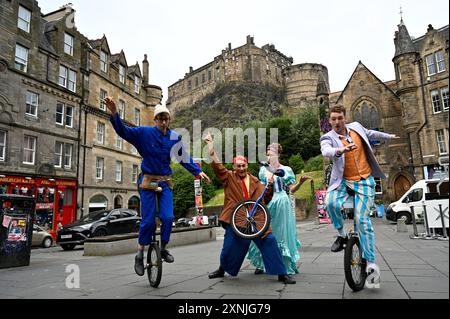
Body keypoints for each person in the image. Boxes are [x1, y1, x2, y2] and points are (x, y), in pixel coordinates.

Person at [104, 97, 211, 276]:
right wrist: (115, 113)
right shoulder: (144, 133)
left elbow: (183, 158)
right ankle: (139, 254)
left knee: (168, 218)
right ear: (155, 120)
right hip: (148, 181)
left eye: (166, 118)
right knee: (147, 222)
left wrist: (197, 172)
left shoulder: (174, 138)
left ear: (169, 120)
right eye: (160, 118)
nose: (163, 121)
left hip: (165, 180)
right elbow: (123, 131)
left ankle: (164, 248)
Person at [320, 105, 398, 283]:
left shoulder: (356, 127)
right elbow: (325, 150)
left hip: (364, 181)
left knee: (362, 221)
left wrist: (388, 136)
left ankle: (371, 265)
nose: (337, 122)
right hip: (343, 181)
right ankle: (341, 235)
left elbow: (371, 133)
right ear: (330, 121)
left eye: (340, 118)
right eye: (333, 119)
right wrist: (339, 151)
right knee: (329, 203)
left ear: (344, 117)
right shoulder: (328, 137)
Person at [204, 132, 296, 284]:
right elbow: (218, 167)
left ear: (247, 165)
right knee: (229, 246)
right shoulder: (229, 177)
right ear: (234, 167)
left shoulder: (254, 180)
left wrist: (270, 186)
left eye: (243, 165)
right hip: (236, 219)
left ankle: (282, 273)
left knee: (270, 241)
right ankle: (222, 269)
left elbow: (265, 199)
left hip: (256, 220)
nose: (241, 168)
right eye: (238, 166)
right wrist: (211, 146)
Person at [247, 143, 303, 275]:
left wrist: (300, 183)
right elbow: (260, 188)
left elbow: (291, 189)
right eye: (267, 150)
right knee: (264, 231)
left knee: (282, 232)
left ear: (278, 154)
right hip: (267, 201)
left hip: (282, 201)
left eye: (271, 151)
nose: (268, 153)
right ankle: (262, 263)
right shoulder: (263, 170)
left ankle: (285, 265)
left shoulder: (286, 170)